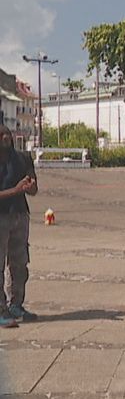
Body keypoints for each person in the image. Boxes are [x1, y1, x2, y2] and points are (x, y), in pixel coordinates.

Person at [0, 125, 36, 328]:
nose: (6, 137)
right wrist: (15, 190)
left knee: (20, 264)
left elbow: (33, 187)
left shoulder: (23, 158)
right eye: (1, 134)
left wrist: (30, 188)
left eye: (8, 134)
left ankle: (16, 304)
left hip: (20, 216)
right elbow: (17, 189)